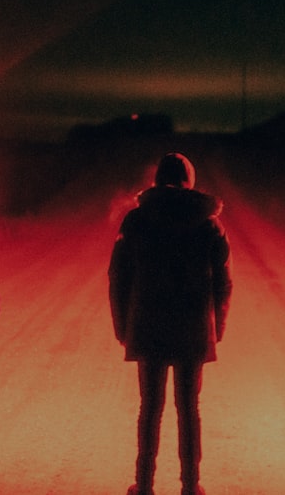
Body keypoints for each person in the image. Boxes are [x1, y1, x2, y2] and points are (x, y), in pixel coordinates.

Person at [109, 152, 232, 495]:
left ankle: (144, 484)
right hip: (193, 329)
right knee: (189, 409)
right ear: (189, 182)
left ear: (157, 179)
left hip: (147, 326)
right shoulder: (210, 224)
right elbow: (224, 282)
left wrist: (123, 326)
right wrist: (215, 329)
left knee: (149, 408)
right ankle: (190, 486)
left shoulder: (136, 221)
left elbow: (118, 276)